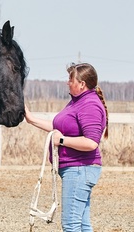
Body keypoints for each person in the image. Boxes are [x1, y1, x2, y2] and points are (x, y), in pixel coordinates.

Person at [25, 62, 108, 232]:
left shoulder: (89, 105)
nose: (67, 82)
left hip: (80, 169)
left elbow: (91, 142)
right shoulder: (77, 102)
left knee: (71, 225)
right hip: (78, 169)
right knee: (82, 224)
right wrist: (31, 118)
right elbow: (59, 128)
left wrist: (62, 141)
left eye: (70, 79)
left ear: (81, 84)